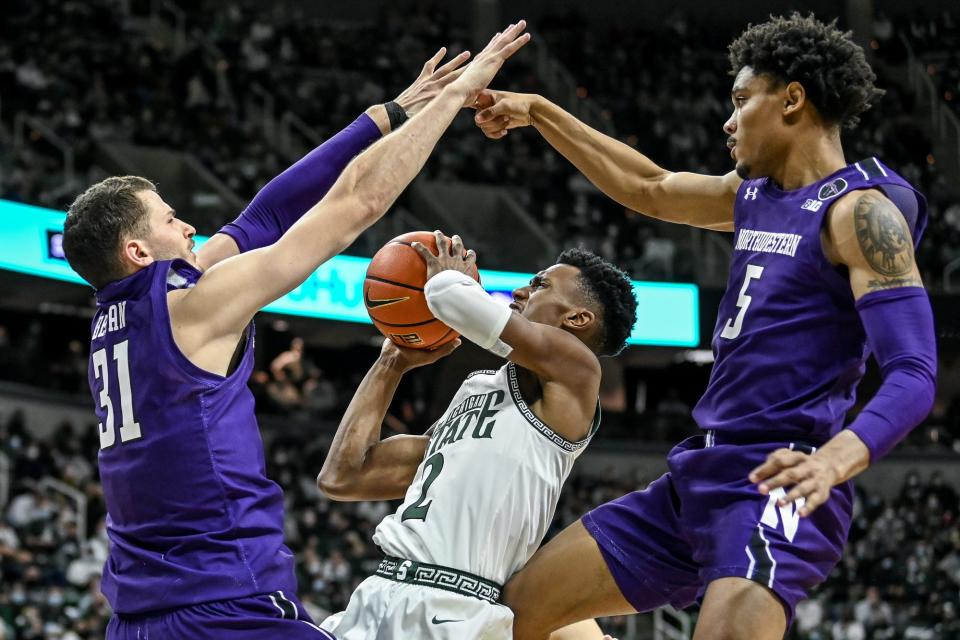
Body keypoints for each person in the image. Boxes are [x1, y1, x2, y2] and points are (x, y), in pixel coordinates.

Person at [473, 13, 937, 640]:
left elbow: (914, 373)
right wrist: (539, 110)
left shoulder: (862, 214)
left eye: (742, 100)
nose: (728, 121)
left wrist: (834, 463)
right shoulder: (751, 198)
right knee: (508, 618)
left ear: (792, 99)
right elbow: (651, 185)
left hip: (778, 481)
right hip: (697, 476)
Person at [61, 22, 531, 639]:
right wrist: (452, 98)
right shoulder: (193, 305)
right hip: (223, 608)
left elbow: (266, 215)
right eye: (173, 221)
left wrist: (386, 116)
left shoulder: (123, 315)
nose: (192, 230)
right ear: (137, 250)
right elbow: (355, 205)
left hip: (144, 616)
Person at [316, 235, 637, 640]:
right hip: (378, 592)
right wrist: (390, 364)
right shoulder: (477, 389)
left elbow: (453, 297)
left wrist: (452, 277)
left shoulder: (578, 370)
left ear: (576, 319)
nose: (520, 290)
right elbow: (344, 476)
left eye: (540, 285)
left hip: (458, 608)